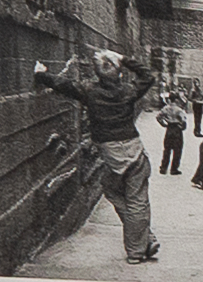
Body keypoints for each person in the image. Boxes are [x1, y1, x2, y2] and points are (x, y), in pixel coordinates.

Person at [36, 36, 157, 262]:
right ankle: (138, 249)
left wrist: (41, 74)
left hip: (111, 155)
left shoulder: (89, 90)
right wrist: (124, 58)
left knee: (111, 190)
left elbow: (63, 85)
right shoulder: (128, 91)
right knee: (137, 200)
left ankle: (142, 239)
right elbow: (148, 76)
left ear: (97, 74)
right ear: (119, 74)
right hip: (134, 150)